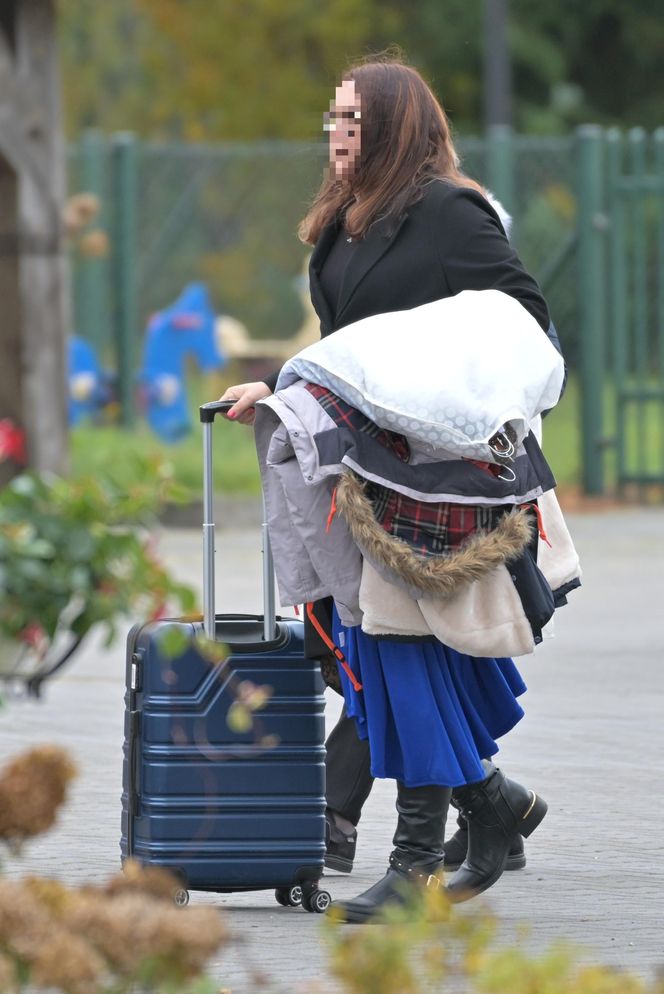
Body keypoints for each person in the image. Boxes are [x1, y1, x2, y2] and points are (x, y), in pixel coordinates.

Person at [220, 57, 558, 922]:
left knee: (397, 649)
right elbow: (343, 347)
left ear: (396, 127)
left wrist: (432, 383)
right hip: (359, 471)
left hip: (435, 475)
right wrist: (276, 386)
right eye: (332, 118)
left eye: (353, 121)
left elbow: (523, 321)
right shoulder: (345, 220)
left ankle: (417, 864)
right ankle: (491, 804)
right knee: (383, 650)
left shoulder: (450, 212)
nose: (335, 134)